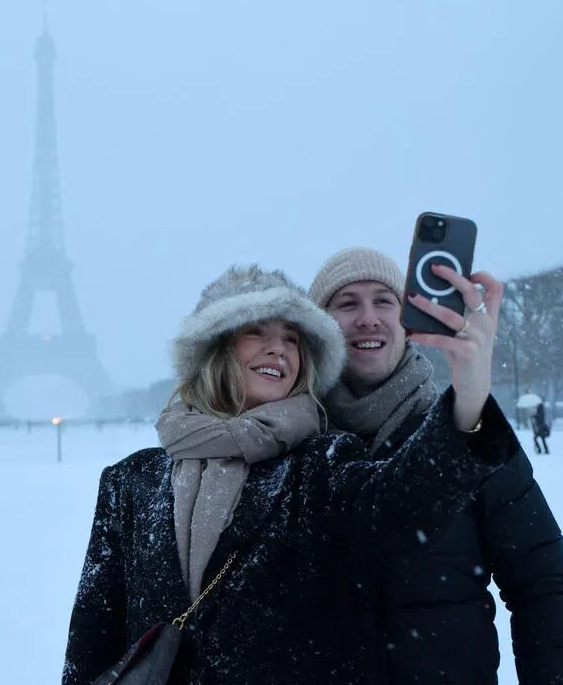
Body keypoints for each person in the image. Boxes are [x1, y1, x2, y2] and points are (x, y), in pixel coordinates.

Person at [62, 264, 517, 684]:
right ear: (212, 349)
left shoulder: (325, 463)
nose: (277, 347)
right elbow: (93, 636)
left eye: (292, 338)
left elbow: (403, 507)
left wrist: (470, 393)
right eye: (255, 330)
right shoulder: (130, 481)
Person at [309, 247, 563, 685]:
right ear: (319, 328)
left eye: (384, 300)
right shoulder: (296, 443)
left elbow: (541, 585)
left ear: (406, 318)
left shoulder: (473, 427)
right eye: (347, 304)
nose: (368, 317)